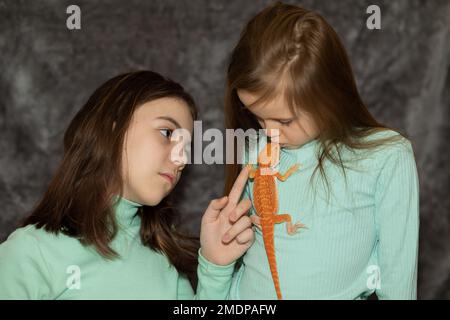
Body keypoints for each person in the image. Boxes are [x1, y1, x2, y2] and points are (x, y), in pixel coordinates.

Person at [224, 2, 419, 299]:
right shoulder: (254, 151)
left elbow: (397, 281)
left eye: (285, 120)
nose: (269, 133)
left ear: (328, 97)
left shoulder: (387, 157)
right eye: (256, 116)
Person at [0, 71, 254, 299]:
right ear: (113, 127)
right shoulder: (30, 252)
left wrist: (215, 267)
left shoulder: (165, 261)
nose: (182, 159)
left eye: (187, 147)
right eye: (167, 133)